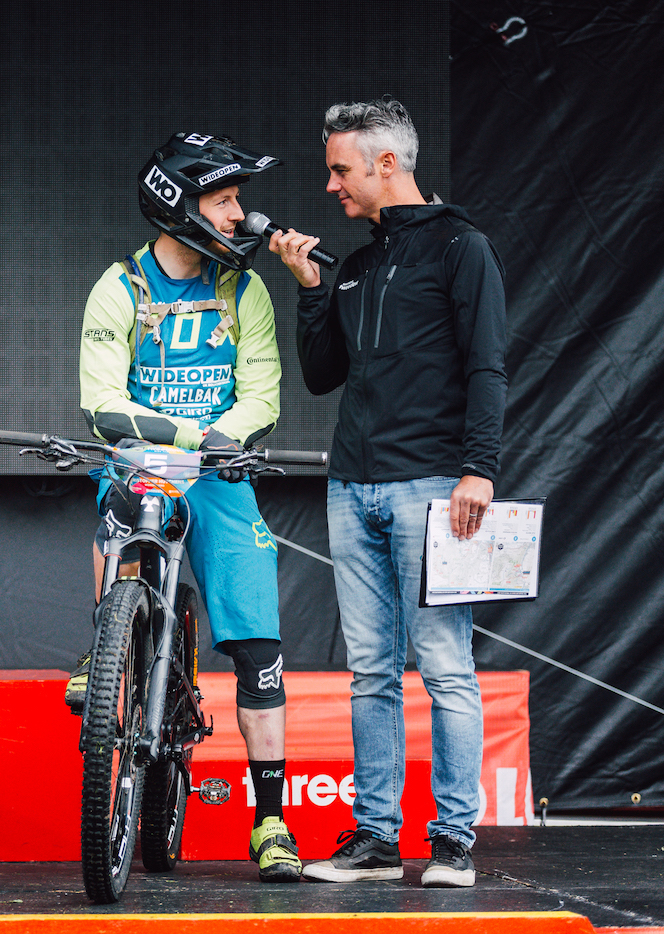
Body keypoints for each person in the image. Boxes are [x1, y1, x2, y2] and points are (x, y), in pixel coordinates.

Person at [269, 98, 507, 888]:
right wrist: (310, 286)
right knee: (370, 670)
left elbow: (487, 364)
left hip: (435, 487)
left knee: (444, 665)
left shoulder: (461, 246)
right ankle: (376, 838)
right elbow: (322, 375)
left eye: (340, 169)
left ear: (386, 163)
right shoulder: (358, 266)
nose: (331, 185)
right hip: (353, 486)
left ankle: (453, 841)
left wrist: (479, 469)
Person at [75, 132, 299, 883]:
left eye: (236, 200)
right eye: (224, 200)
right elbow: (101, 402)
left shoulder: (245, 289)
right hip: (146, 463)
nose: (240, 215)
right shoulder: (119, 287)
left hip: (222, 470)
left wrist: (220, 441)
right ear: (178, 205)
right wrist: (186, 438)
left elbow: (262, 393)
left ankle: (271, 822)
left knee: (258, 645)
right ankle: (107, 648)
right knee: (121, 512)